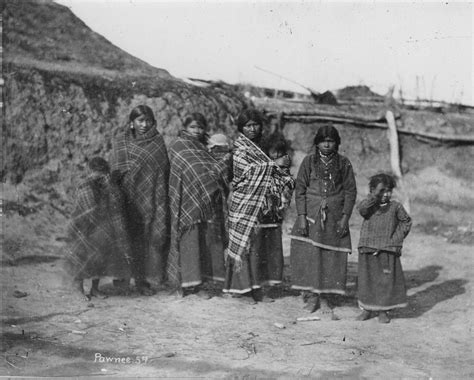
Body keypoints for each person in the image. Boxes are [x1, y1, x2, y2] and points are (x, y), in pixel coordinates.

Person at [224, 109, 295, 303]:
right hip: (244, 203)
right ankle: (242, 291)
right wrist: (274, 165)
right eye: (248, 125)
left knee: (258, 248)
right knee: (245, 246)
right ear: (241, 128)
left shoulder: (263, 146)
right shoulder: (239, 149)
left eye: (255, 124)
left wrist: (279, 169)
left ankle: (256, 289)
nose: (252, 128)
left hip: (263, 205)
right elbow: (246, 172)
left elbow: (278, 172)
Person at [289, 124, 356, 318]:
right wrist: (301, 216)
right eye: (323, 141)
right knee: (311, 255)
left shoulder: (344, 163)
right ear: (317, 143)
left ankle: (326, 296)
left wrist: (345, 217)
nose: (327, 145)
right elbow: (300, 189)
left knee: (329, 257)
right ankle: (312, 296)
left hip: (334, 217)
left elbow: (350, 191)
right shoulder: (309, 162)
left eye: (331, 141)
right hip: (311, 215)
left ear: (337, 143)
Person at [167, 113, 232, 298]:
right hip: (187, 203)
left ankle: (201, 284)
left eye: (201, 127)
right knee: (189, 242)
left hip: (208, 203)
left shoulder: (206, 147)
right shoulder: (178, 147)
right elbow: (176, 175)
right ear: (185, 127)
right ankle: (188, 284)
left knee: (205, 243)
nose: (197, 131)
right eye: (193, 127)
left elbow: (215, 171)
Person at [110, 105, 170, 295]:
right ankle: (122, 280)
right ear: (132, 122)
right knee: (122, 237)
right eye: (140, 120)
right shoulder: (121, 142)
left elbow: (163, 174)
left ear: (154, 122)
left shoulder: (157, 143)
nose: (144, 125)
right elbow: (114, 171)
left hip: (148, 202)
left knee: (142, 242)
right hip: (124, 199)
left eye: (148, 121)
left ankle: (142, 282)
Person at [66, 157, 131, 301]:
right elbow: (88, 210)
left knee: (99, 258)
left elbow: (114, 202)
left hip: (98, 228)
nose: (103, 177)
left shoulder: (104, 184)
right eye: (100, 174)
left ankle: (95, 289)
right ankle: (79, 290)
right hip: (82, 227)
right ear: (92, 172)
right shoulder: (84, 186)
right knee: (82, 259)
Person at [356, 173, 412, 323]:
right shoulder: (369, 206)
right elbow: (361, 210)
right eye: (382, 191)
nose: (386, 194)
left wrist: (395, 240)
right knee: (367, 280)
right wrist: (374, 196)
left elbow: (406, 222)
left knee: (385, 281)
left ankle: (383, 311)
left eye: (389, 191)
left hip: (387, 249)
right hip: (368, 248)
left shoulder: (395, 207)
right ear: (373, 190)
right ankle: (367, 309)